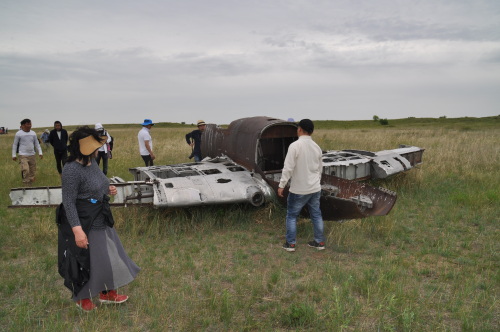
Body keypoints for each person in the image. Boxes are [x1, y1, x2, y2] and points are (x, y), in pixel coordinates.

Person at [57, 126, 140, 311]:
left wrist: (107, 189)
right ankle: (81, 297)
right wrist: (77, 231)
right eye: (95, 147)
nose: (98, 150)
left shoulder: (92, 162)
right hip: (84, 221)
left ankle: (106, 293)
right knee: (86, 260)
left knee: (108, 256)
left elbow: (97, 183)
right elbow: (69, 202)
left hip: (100, 216)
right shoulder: (71, 170)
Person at [278, 119, 326, 252]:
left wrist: (282, 185)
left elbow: (288, 168)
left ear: (299, 129)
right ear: (311, 131)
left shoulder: (294, 146)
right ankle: (319, 242)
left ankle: (291, 244)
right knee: (316, 215)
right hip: (315, 188)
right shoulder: (317, 147)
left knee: (292, 216)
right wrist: (316, 182)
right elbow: (320, 169)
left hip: (299, 189)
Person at [12, 119, 43, 186]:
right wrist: (13, 155)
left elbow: (37, 144)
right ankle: (26, 184)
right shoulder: (18, 134)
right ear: (22, 125)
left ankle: (30, 186)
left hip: (32, 155)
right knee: (26, 169)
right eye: (27, 124)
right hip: (23, 155)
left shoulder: (33, 133)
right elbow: (15, 144)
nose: (29, 125)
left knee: (32, 172)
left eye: (30, 124)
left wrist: (40, 152)